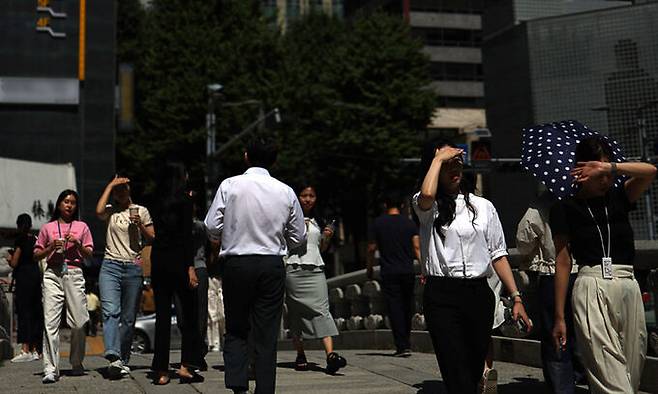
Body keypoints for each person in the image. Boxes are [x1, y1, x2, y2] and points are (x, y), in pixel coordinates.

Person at [412, 139, 532, 394]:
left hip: (479, 293)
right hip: (442, 294)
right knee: (455, 370)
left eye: (457, 163)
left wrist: (516, 297)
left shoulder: (483, 206)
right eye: (446, 165)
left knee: (474, 366)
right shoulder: (426, 207)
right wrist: (437, 159)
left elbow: (498, 255)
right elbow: (427, 194)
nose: (454, 169)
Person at [551, 136, 655, 393]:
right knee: (610, 376)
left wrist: (611, 167)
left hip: (628, 284)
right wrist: (559, 316)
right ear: (581, 170)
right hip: (590, 286)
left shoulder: (620, 197)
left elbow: (651, 171)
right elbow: (563, 261)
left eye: (606, 171)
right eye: (597, 171)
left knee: (631, 370)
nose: (604, 179)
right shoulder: (565, 207)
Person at [205, 136, 306, 394]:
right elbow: (298, 237)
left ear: (246, 156)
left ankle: (238, 385)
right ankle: (264, 388)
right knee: (266, 332)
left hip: (237, 263)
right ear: (274, 160)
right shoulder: (285, 191)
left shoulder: (230, 185)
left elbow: (211, 226)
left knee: (237, 327)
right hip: (271, 263)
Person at [516, 190, 582, 393]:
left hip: (552, 273)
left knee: (555, 333)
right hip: (586, 272)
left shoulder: (542, 203)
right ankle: (582, 373)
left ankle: (561, 385)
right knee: (583, 330)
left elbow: (523, 239)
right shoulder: (587, 197)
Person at [149, 163, 204, 385]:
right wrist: (190, 267)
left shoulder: (155, 199)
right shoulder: (184, 200)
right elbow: (186, 236)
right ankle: (185, 366)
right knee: (189, 314)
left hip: (159, 260)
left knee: (162, 316)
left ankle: (161, 370)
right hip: (180, 261)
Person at [96, 175, 155, 378]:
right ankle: (113, 355)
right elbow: (98, 211)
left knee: (129, 318)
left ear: (129, 191)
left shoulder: (142, 210)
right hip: (110, 265)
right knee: (110, 311)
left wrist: (139, 224)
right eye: (117, 190)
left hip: (133, 266)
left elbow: (152, 238)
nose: (120, 193)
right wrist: (110, 184)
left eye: (123, 189)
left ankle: (123, 358)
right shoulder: (111, 211)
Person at [33, 189, 94, 384]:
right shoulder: (47, 228)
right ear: (59, 204)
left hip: (74, 273)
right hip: (52, 273)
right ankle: (51, 368)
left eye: (73, 202)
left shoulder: (82, 227)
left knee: (79, 321)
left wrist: (77, 244)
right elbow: (36, 255)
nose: (69, 205)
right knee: (50, 323)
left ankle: (76, 361)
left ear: (76, 207)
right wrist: (50, 247)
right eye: (66, 201)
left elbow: (89, 254)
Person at [285, 184, 346, 374]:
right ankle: (300, 354)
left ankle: (330, 355)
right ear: (297, 197)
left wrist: (327, 238)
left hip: (315, 268)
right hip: (294, 268)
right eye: (304, 195)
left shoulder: (319, 220)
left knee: (322, 310)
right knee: (296, 313)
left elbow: (321, 249)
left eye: (311, 195)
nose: (308, 199)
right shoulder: (288, 217)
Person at [367, 193, 419, 357]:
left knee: (394, 307)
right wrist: (424, 268)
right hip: (408, 270)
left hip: (389, 271)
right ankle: (407, 343)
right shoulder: (409, 224)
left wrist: (369, 268)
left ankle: (401, 345)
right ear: (403, 206)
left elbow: (371, 248)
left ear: (385, 205)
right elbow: (417, 247)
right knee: (407, 306)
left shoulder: (378, 224)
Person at [9, 213, 42, 363]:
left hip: (23, 277)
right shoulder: (35, 239)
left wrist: (9, 259)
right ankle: (36, 349)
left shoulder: (20, 240)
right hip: (35, 276)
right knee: (35, 312)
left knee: (23, 312)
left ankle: (25, 349)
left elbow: (15, 262)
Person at [191, 198, 210, 368]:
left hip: (199, 268)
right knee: (184, 316)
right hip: (182, 269)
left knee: (200, 313)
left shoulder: (199, 226)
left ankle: (198, 351)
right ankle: (193, 349)